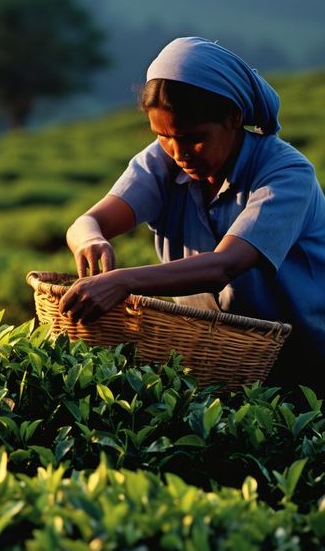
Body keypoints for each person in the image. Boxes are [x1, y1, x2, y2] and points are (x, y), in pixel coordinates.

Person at [59, 36, 325, 390]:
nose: (178, 152)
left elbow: (224, 266)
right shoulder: (161, 161)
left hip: (302, 364)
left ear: (234, 118)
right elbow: (87, 222)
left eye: (193, 137)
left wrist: (123, 280)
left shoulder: (286, 175)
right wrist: (90, 241)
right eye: (164, 136)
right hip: (214, 359)